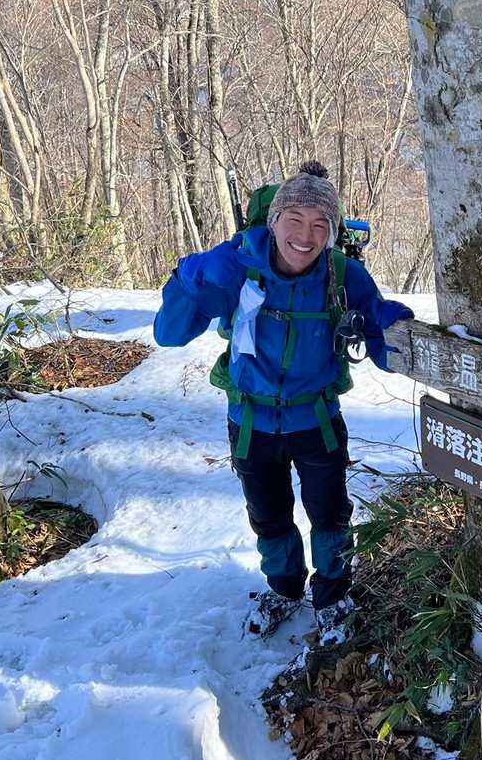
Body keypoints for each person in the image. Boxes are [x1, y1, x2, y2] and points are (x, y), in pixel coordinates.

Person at [153, 161, 413, 645]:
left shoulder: (343, 276)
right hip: (250, 421)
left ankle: (333, 597)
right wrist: (188, 278)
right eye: (294, 219)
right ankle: (285, 589)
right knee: (269, 517)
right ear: (273, 222)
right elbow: (169, 334)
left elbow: (381, 346)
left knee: (330, 514)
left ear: (332, 233)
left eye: (319, 224)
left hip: (317, 420)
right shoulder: (239, 268)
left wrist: (398, 333)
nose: (305, 236)